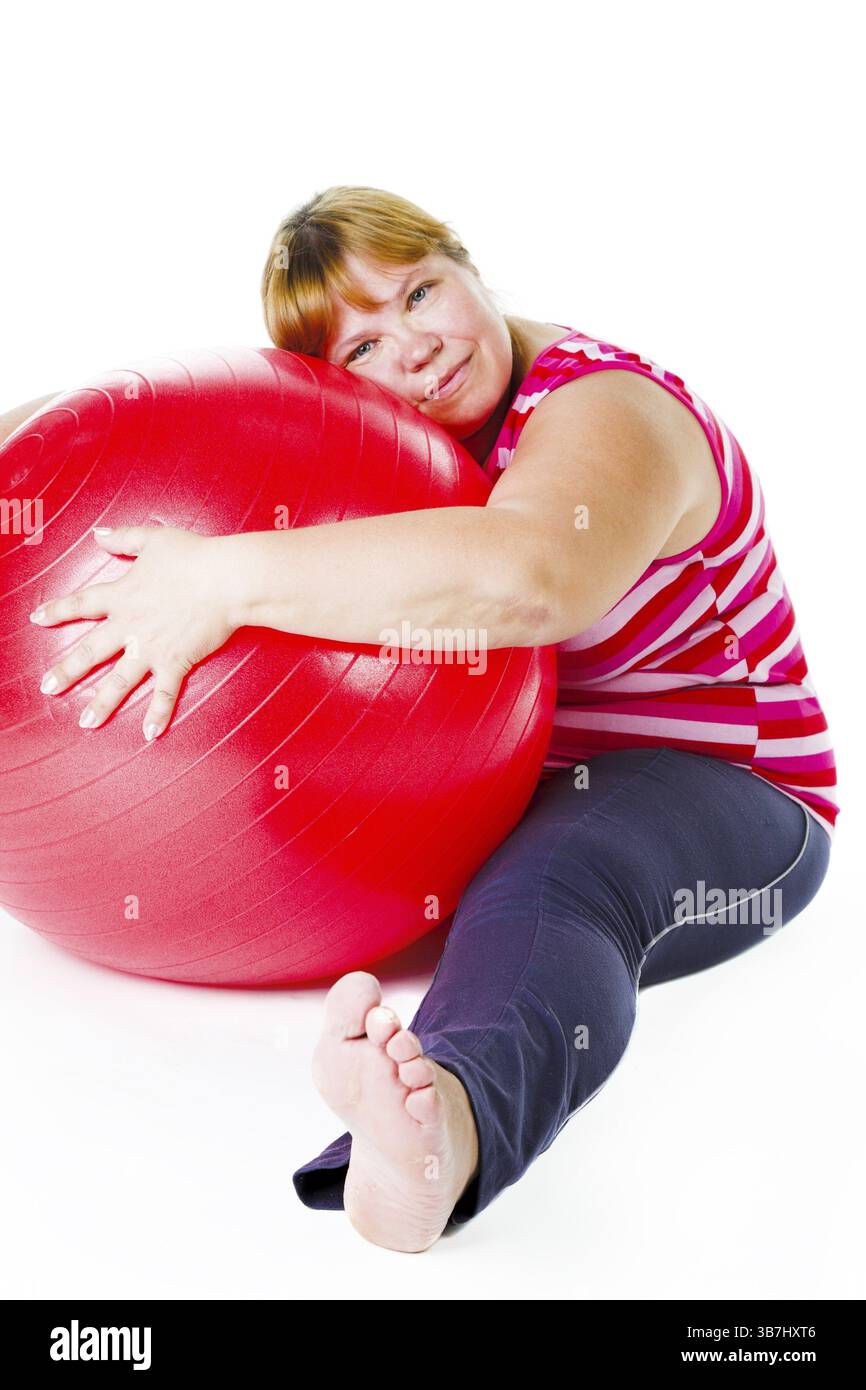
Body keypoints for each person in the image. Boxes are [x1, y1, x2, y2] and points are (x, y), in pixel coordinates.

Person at [9, 186, 838, 1255]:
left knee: (556, 881)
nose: (413, 348)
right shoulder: (374, 441)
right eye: (357, 350)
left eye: (419, 291)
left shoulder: (606, 411)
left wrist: (219, 578)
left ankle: (445, 1129)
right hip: (490, 777)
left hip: (717, 782)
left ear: (470, 269)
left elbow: (533, 576)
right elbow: (115, 429)